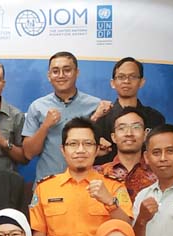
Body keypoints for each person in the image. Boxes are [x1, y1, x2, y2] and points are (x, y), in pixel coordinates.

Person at [29, 117, 132, 236]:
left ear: (97, 149)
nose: (80, 150)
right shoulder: (45, 187)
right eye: (73, 144)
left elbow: (128, 229)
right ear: (63, 150)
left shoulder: (114, 186)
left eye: (87, 144)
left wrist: (109, 202)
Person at [22, 52, 109, 182]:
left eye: (67, 70)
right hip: (48, 183)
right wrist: (45, 126)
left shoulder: (96, 106)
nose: (61, 75)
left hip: (86, 185)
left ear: (77, 72)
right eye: (55, 71)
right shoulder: (37, 106)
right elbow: (28, 153)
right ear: (49, 76)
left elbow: (106, 148)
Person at [94, 57, 166, 166]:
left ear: (141, 82)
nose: (126, 81)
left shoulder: (155, 118)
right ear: (113, 83)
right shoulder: (100, 117)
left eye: (132, 76)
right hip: (107, 178)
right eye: (121, 77)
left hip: (147, 177)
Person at [95, 108, 157, 201]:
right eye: (122, 128)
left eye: (136, 127)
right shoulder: (99, 173)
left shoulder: (158, 174)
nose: (129, 133)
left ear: (145, 134)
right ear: (114, 137)